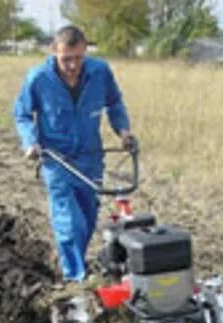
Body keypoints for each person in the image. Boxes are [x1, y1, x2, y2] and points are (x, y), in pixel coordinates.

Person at [13, 25, 135, 283]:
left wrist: (123, 131)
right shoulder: (38, 78)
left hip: (90, 159)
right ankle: (76, 279)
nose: (72, 65)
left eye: (78, 58)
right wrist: (30, 142)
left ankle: (77, 268)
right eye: (66, 58)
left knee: (88, 219)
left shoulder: (100, 72)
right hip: (57, 160)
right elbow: (22, 114)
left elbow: (114, 102)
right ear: (53, 52)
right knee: (69, 222)